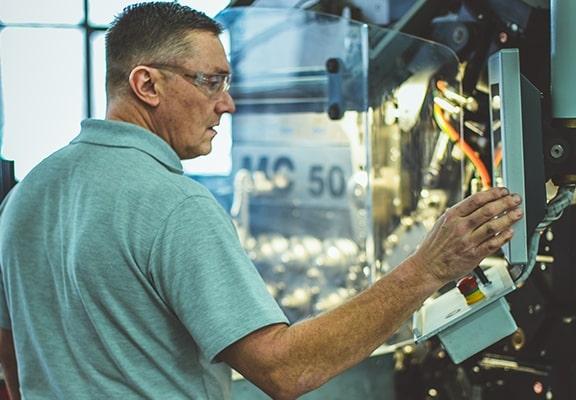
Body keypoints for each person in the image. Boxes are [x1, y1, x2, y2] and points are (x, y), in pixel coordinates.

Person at [0, 2, 523, 399]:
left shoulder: (27, 196)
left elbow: (14, 355)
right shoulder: (175, 205)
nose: (226, 103)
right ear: (146, 84)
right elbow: (283, 370)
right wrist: (429, 267)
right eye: (211, 82)